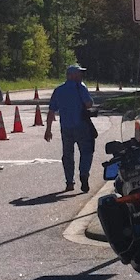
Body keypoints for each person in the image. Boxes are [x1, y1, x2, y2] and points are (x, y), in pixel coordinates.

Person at [45, 62, 97, 193]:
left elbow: (51, 111)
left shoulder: (59, 90)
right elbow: (89, 104)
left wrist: (48, 129)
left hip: (66, 127)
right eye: (79, 73)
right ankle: (84, 174)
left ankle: (69, 182)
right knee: (86, 151)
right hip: (82, 126)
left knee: (67, 155)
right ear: (72, 75)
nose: (81, 75)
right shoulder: (80, 87)